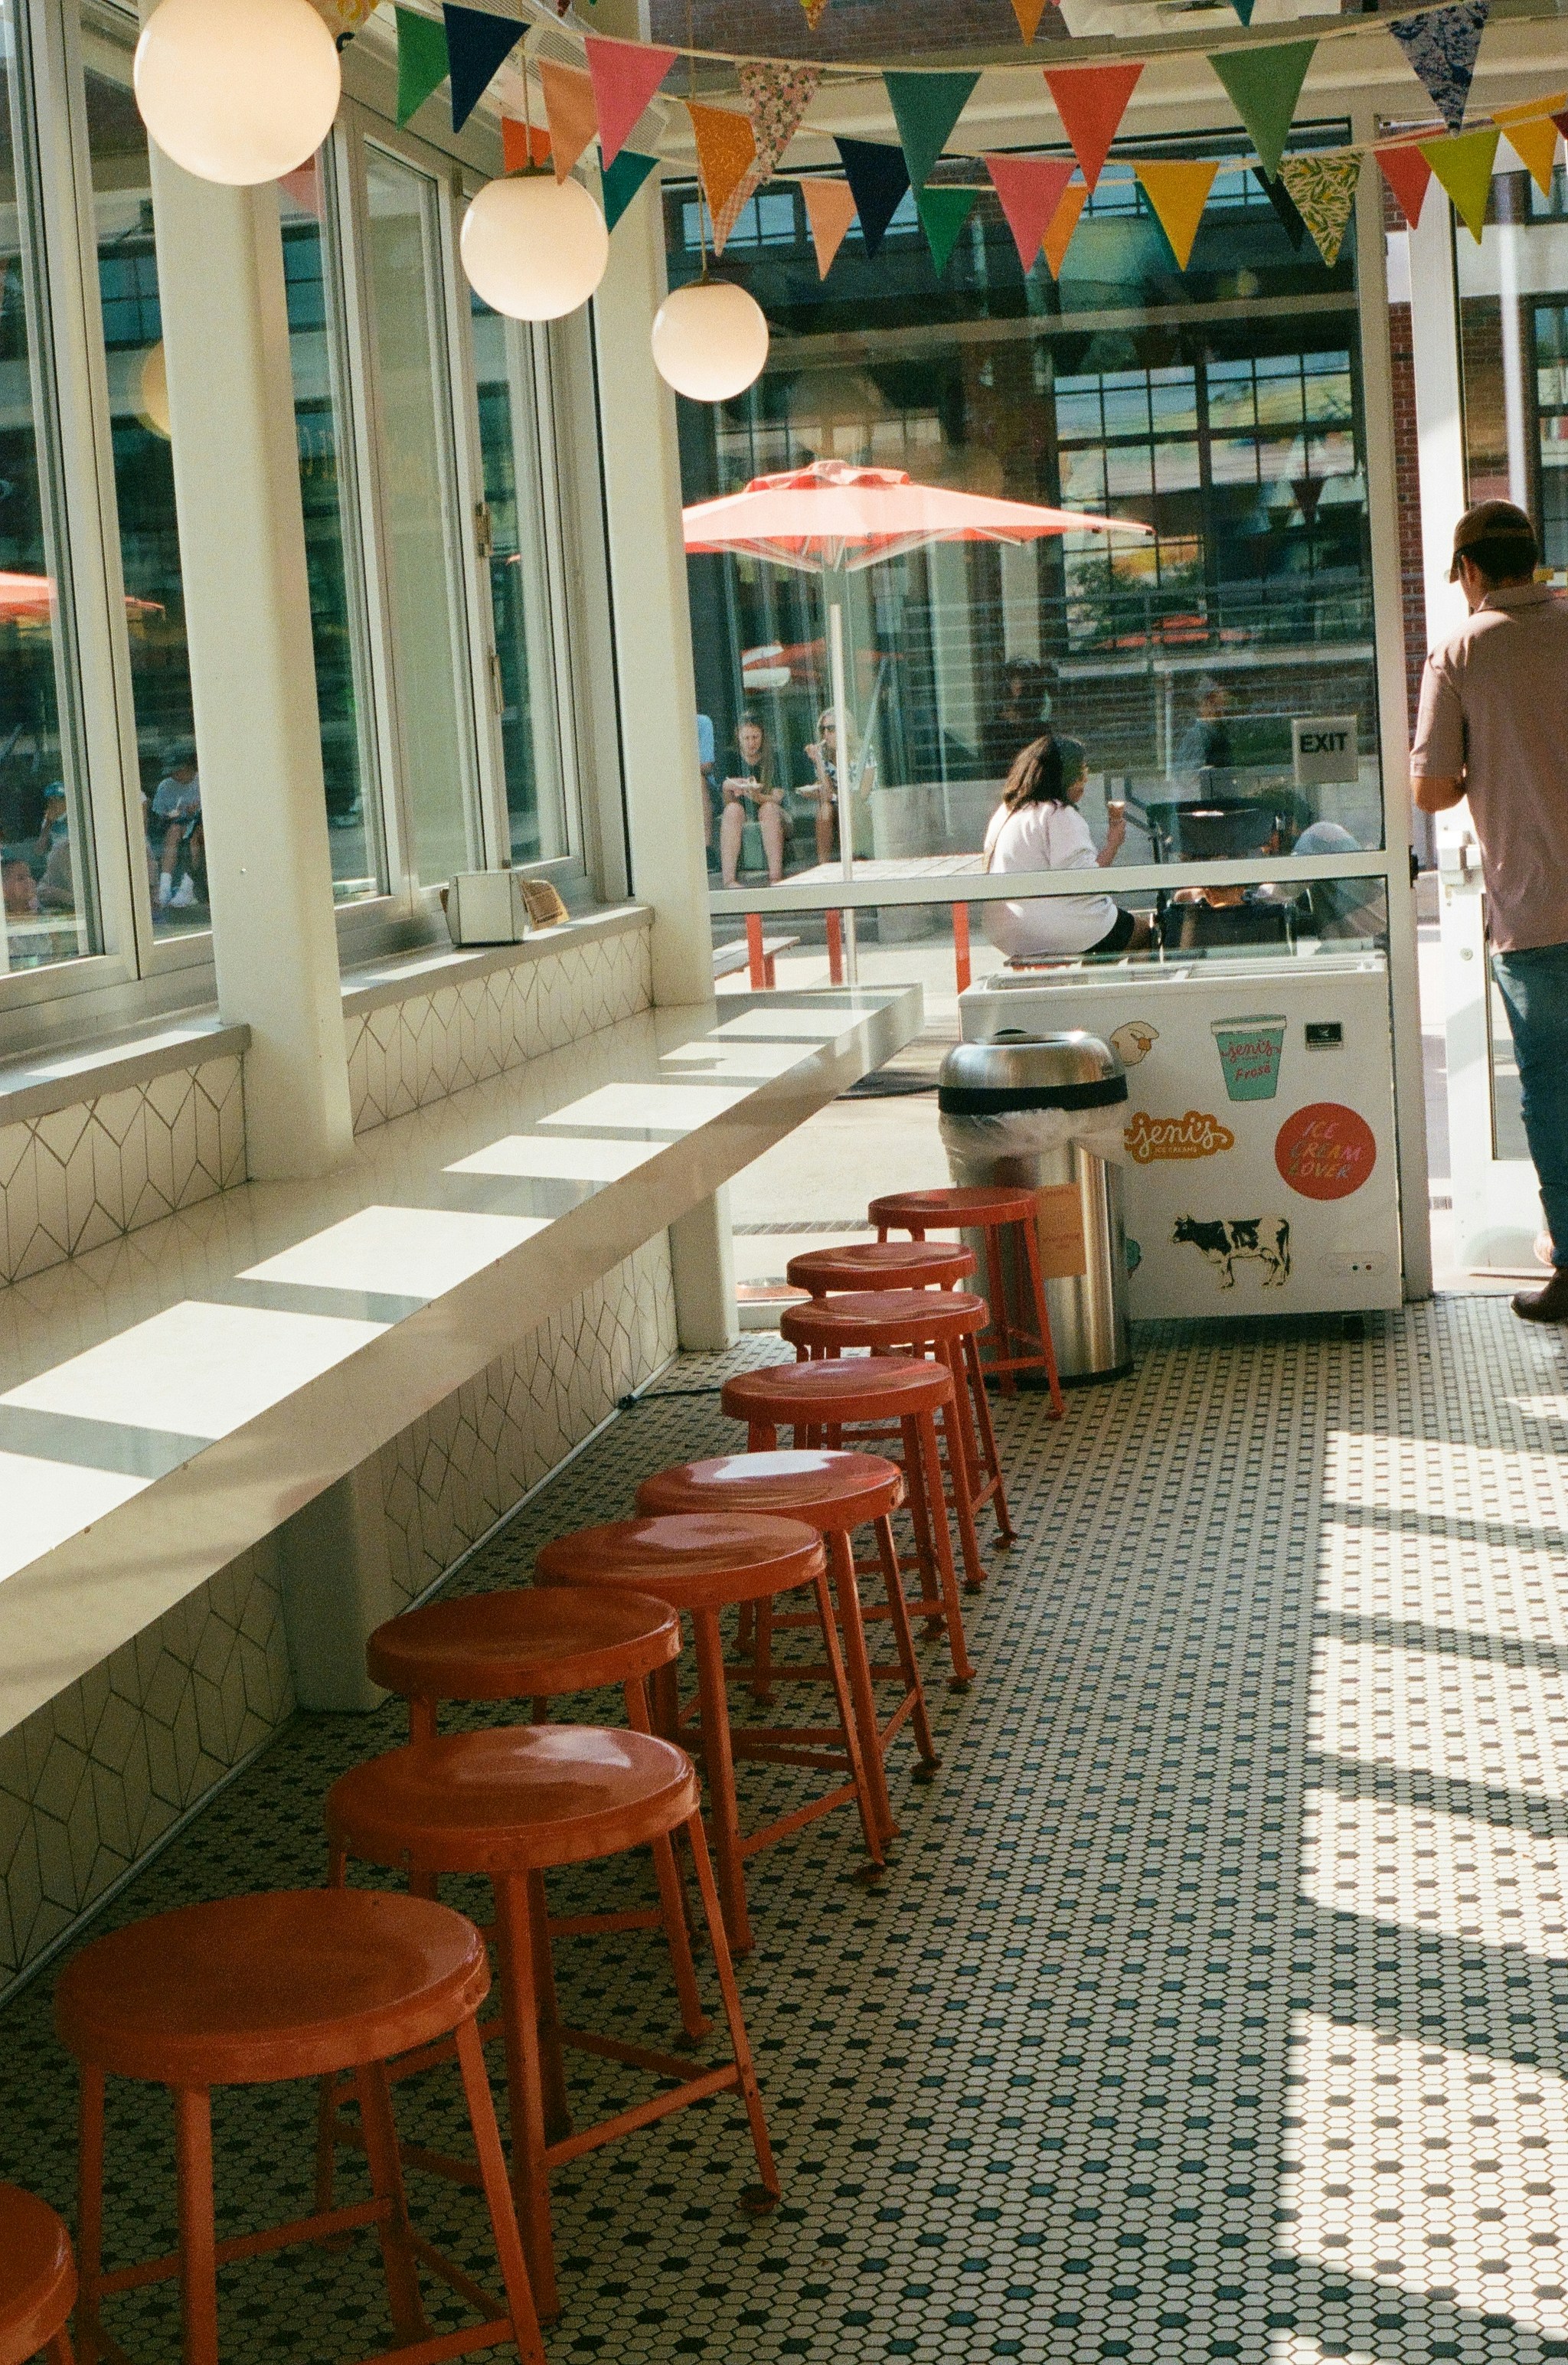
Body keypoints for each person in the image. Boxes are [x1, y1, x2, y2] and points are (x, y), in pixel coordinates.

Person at [1411, 498, 1568, 1322]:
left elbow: (1430, 788)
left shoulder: (1460, 651)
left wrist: (1492, 766)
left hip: (1537, 911)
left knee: (1552, 1090)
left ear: (1469, 571)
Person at [981, 733, 1152, 962]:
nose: (1086, 779)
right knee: (1142, 933)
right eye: (1081, 772)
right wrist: (1112, 844)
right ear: (1065, 777)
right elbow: (1087, 884)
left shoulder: (1007, 811)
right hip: (1049, 929)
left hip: (1004, 928)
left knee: (1109, 933)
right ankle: (1107, 995)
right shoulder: (1058, 813)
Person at [800, 710, 876, 866]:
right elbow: (828, 792)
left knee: (851, 806)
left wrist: (834, 798)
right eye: (823, 730)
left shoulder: (864, 750)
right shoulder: (825, 755)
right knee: (824, 810)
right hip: (839, 803)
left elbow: (863, 793)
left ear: (845, 729)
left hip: (863, 806)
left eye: (831, 729)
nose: (826, 734)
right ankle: (824, 865)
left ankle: (856, 861)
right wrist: (818, 761)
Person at [719, 714, 787, 888]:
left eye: (755, 737)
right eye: (746, 738)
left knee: (769, 809)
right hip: (741, 812)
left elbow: (778, 797)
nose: (751, 743)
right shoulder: (730, 757)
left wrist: (757, 797)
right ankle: (729, 880)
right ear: (739, 738)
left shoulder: (774, 757)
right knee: (733, 810)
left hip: (772, 811)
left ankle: (775, 877)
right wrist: (729, 787)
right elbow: (726, 803)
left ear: (762, 736)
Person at [150, 743, 203, 910]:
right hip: (177, 826)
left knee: (195, 835)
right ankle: (165, 888)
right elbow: (158, 819)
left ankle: (188, 887)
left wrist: (197, 811)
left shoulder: (202, 781)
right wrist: (171, 815)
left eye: (179, 770)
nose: (175, 774)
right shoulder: (166, 786)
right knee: (174, 831)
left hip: (200, 827)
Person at [982, 657, 1052, 779]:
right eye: (1014, 680)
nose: (1018, 684)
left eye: (1023, 681)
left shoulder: (1041, 730)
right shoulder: (994, 730)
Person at [1175, 677, 1233, 773]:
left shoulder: (1217, 732)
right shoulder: (1199, 736)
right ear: (1207, 704)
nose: (1223, 710)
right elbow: (1189, 777)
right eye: (1220, 706)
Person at [697, 711, 717, 869]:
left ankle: (707, 850)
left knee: (699, 780)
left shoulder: (702, 722)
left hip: (705, 787)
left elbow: (707, 766)